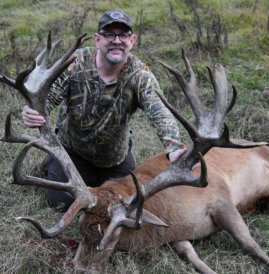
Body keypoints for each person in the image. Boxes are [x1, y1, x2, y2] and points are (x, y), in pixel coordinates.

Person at [22, 10, 185, 211]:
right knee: (61, 204)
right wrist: (32, 112)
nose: (117, 40)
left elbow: (160, 112)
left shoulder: (140, 75)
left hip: (115, 159)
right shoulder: (75, 63)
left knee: (125, 203)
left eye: (123, 35)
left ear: (132, 40)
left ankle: (86, 176)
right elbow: (47, 100)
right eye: (109, 34)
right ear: (98, 39)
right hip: (73, 151)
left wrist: (174, 147)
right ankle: (54, 163)